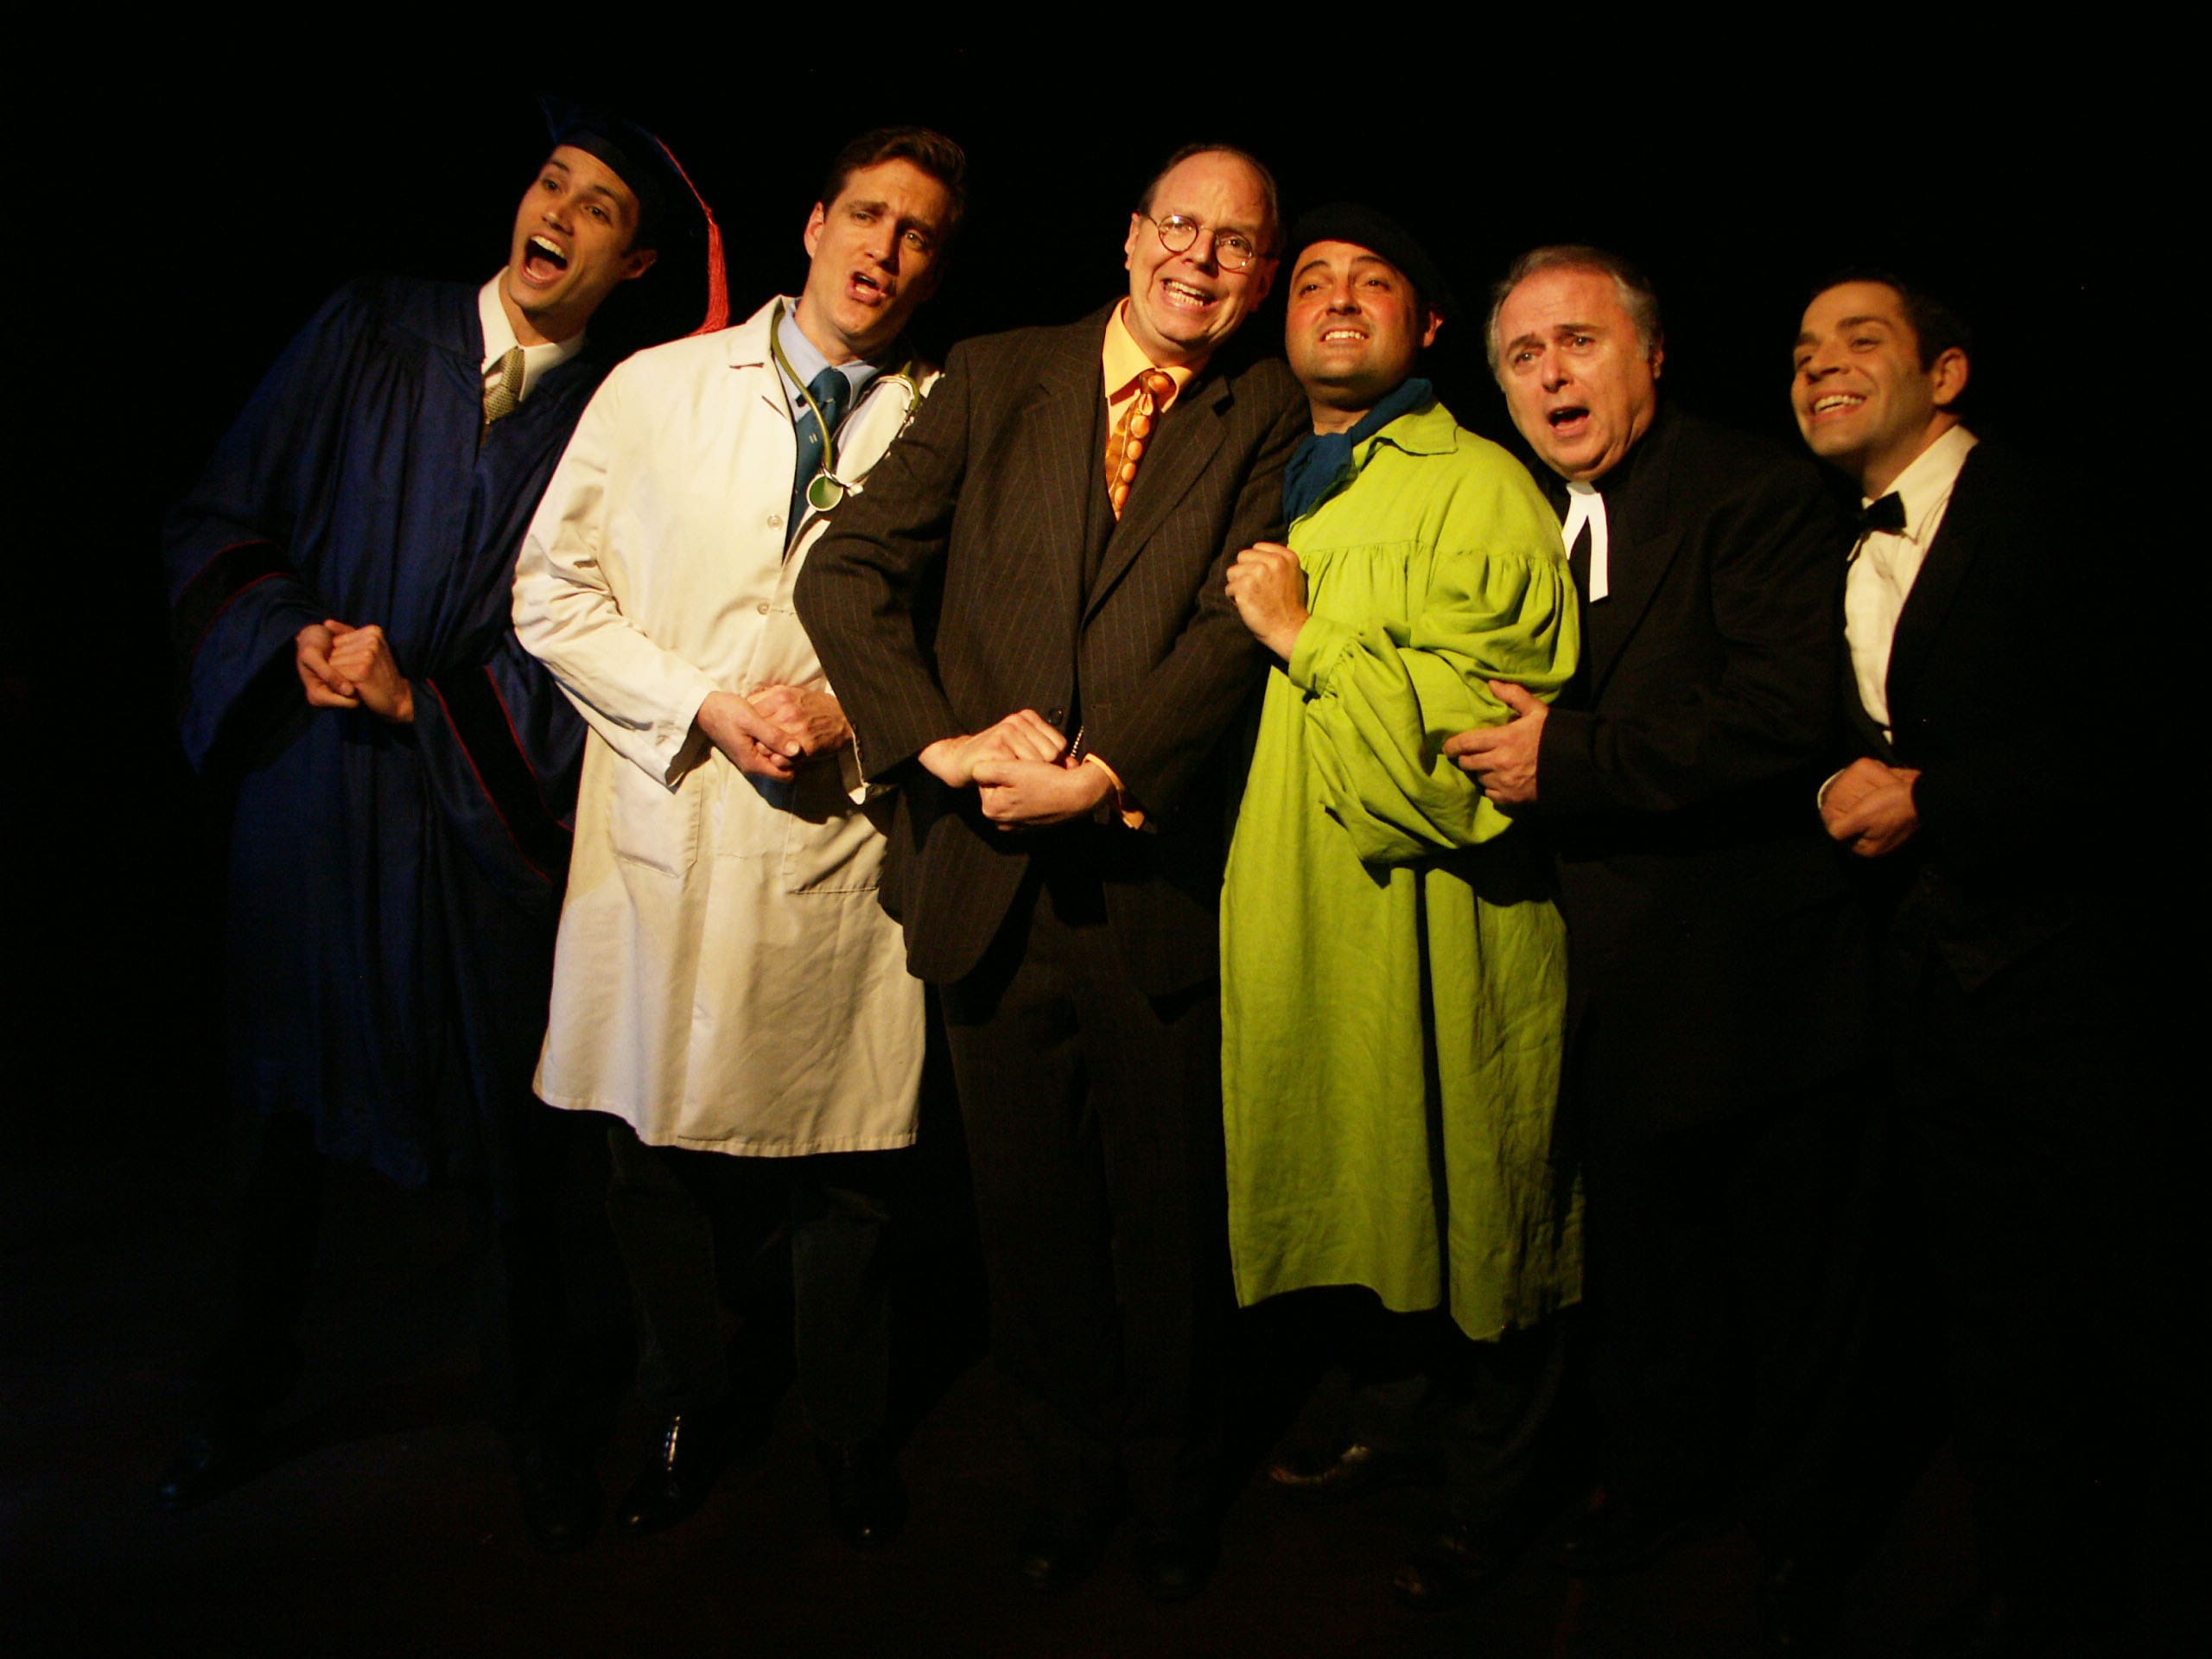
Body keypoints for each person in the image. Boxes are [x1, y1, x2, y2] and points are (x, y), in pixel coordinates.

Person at [157, 101, 720, 1551]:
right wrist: (284, 633)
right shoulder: (371, 330)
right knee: (270, 1132)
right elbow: (221, 514)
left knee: (514, 1158)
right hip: (316, 795)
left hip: (471, 815)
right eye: (552, 182)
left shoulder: (615, 423)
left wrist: (428, 701)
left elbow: (597, 644)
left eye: (601, 207)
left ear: (636, 263)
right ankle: (227, 1402)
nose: (559, 214)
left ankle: (539, 1425)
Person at [795, 143, 1306, 1599]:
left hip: (1150, 886)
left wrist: (1109, 768)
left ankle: (1172, 1492)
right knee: (1029, 1228)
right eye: (1181, 228)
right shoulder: (996, 372)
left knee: (1169, 1223)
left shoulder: (1269, 408)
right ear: (1131, 236)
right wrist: (939, 744)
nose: (1201, 259)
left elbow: (1232, 624)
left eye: (1236, 244)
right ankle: (1066, 1483)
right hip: (985, 884)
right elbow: (844, 570)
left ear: (1263, 274)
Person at [511, 127, 965, 1551]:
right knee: (650, 1151)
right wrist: (702, 703)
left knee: (848, 1166)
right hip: (674, 820)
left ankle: (845, 1429)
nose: (886, 250)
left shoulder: (952, 417)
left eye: (920, 234)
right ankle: (684, 1403)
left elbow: (974, 634)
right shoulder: (658, 388)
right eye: (868, 215)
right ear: (816, 224)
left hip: (840, 843)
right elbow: (550, 590)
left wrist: (852, 707)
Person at [1446, 246, 1872, 1635]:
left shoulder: (1752, 490)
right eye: (1524, 355)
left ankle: (1808, 1530)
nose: (1551, 373)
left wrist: (1567, 761)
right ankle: (1661, 1488)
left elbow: (1781, 713)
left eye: (1579, 341)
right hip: (1601, 978)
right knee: (1648, 1271)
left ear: (1653, 355)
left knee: (1786, 1277)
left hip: (1749, 979)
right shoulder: (1522, 514)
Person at [1218, 206, 1581, 1605]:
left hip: (1436, 911)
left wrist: (1309, 636)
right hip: (1305, 904)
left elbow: (1485, 734)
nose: (1337, 298)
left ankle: (1499, 1495)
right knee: (1368, 1181)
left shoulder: (1479, 483)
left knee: (1473, 1184)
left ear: (1425, 326)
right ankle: (1395, 1420)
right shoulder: (1278, 478)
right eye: (1312, 280)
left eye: (1373, 283)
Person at [1792, 274, 2150, 1656]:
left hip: (2082, 986)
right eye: (1803, 351)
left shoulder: (2053, 508)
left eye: (1859, 340)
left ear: (1945, 374)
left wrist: (1937, 799)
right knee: (1992, 1315)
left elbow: (2139, 730)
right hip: (1927, 991)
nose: (1820, 366)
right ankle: (2031, 1582)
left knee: (2119, 1303)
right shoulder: (1826, 536)